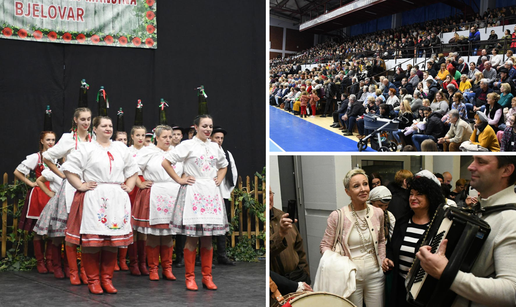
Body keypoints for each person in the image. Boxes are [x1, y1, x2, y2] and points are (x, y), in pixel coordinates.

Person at [416, 156, 516, 306]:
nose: (470, 167)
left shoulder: (511, 218)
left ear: (506, 170)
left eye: (481, 162)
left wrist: (446, 273)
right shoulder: (481, 208)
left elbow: (511, 291)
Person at [63, 116, 138, 294]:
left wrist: (130, 186)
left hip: (117, 198)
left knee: (111, 241)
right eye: (103, 125)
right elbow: (69, 168)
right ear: (94, 129)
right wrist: (81, 185)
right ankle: (93, 281)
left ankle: (107, 279)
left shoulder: (120, 148)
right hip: (95, 197)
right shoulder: (86, 148)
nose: (108, 128)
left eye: (110, 125)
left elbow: (133, 169)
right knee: (94, 242)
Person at [161, 114, 228, 291]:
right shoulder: (187, 145)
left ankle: (207, 277)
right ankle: (190, 278)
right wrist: (179, 179)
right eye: (204, 126)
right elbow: (166, 162)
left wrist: (218, 180)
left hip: (210, 193)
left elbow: (224, 165)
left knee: (208, 239)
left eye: (210, 126)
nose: (208, 129)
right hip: (193, 191)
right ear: (196, 127)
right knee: (192, 238)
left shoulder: (215, 147)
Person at [34, 107, 93, 284]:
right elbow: (47, 156)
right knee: (64, 230)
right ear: (75, 120)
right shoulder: (68, 139)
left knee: (83, 230)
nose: (86, 123)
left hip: (89, 187)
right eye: (82, 119)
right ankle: (61, 266)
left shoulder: (94, 139)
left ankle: (78, 267)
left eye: (89, 119)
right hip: (71, 188)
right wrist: (63, 174)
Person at [320, 169, 385, 307]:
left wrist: (383, 260)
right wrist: (339, 265)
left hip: (375, 274)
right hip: (350, 276)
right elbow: (325, 246)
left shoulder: (378, 212)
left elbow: (381, 240)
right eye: (356, 186)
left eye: (365, 184)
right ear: (347, 192)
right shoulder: (338, 216)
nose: (363, 189)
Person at [383, 172, 445, 307]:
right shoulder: (403, 222)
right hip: (400, 287)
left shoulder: (439, 226)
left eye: (419, 194)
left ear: (430, 197)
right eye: (411, 194)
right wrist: (389, 258)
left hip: (425, 291)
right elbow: (392, 248)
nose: (413, 198)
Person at [131, 125, 181, 281]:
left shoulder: (177, 152)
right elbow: (133, 168)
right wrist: (140, 184)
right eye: (164, 137)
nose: (167, 140)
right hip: (155, 192)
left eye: (169, 137)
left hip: (173, 194)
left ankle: (167, 268)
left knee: (168, 235)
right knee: (153, 234)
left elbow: (186, 169)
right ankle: (153, 268)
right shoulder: (148, 152)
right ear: (156, 138)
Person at [15, 131, 56, 274]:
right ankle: (40, 262)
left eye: (53, 140)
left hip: (54, 194)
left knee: (52, 230)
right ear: (42, 141)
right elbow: (18, 172)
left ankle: (50, 261)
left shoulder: (57, 158)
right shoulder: (37, 157)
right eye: (48, 140)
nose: (51, 142)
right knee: (38, 230)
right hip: (40, 195)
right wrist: (31, 183)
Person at [270, 187, 311, 290]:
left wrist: (306, 276)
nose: (268, 198)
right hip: (277, 285)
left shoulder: (283, 216)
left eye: (270, 193)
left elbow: (299, 249)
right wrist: (280, 234)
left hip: (297, 280)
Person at [210, 126, 238, 266]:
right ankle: (207, 257)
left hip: (222, 194)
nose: (219, 140)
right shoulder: (207, 152)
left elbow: (233, 172)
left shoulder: (226, 153)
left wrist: (227, 191)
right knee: (208, 225)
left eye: (221, 138)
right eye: (217, 138)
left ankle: (221, 255)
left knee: (221, 225)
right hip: (208, 195)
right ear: (211, 138)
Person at [126, 125, 149, 276]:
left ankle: (143, 262)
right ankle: (133, 262)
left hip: (146, 185)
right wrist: (136, 183)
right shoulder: (127, 151)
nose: (141, 138)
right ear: (132, 136)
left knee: (144, 228)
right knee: (133, 226)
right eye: (138, 135)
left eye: (143, 135)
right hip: (133, 186)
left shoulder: (150, 150)